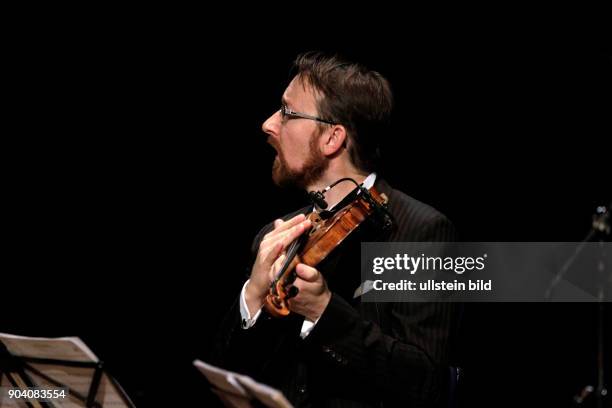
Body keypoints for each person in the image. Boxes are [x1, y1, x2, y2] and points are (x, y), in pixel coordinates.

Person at [212, 51, 459, 407]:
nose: (268, 124)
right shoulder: (277, 233)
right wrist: (253, 294)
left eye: (287, 113)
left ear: (332, 138)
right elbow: (230, 374)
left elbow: (424, 383)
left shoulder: (422, 231)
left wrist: (324, 312)